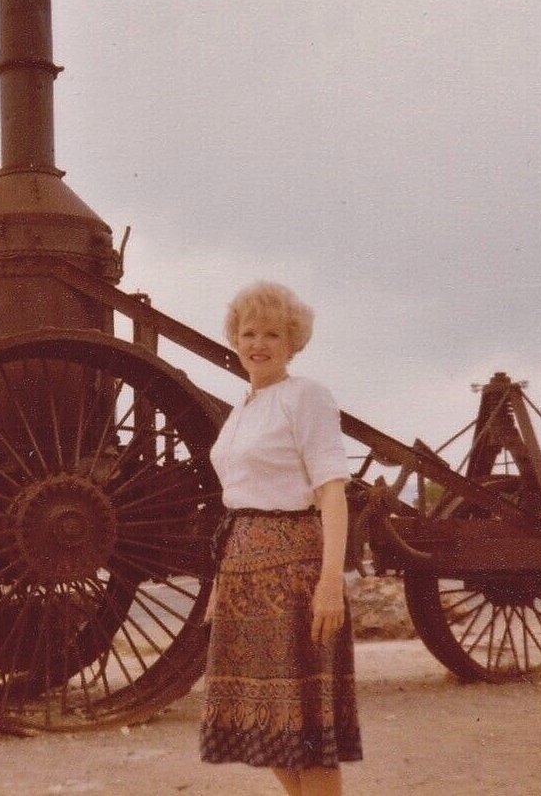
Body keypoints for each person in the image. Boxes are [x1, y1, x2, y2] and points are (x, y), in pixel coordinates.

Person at [199, 281, 361, 796]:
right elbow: (240, 501)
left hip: (295, 577)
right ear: (234, 338)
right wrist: (221, 587)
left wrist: (330, 582)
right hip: (243, 576)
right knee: (265, 729)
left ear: (293, 341)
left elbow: (332, 493)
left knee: (306, 731)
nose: (258, 344)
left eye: (273, 333)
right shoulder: (243, 407)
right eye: (249, 333)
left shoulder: (305, 396)